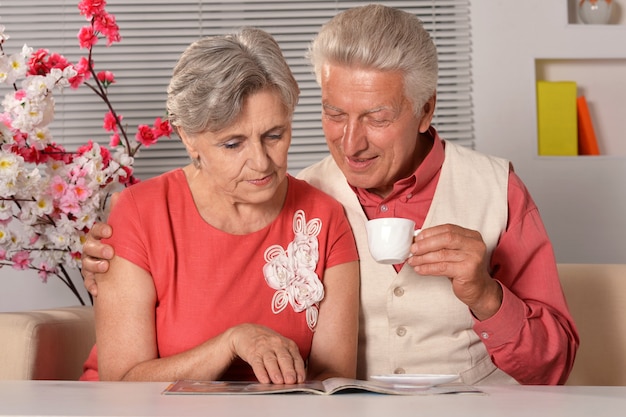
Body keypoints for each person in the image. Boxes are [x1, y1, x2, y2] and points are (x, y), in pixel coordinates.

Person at [82, 5, 579, 385]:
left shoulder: (495, 189)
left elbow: (555, 366)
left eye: (377, 118)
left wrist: (488, 297)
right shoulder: (299, 191)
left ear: (425, 111)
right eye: (334, 114)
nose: (351, 142)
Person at [78, 27, 360, 383]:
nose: (261, 162)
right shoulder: (141, 212)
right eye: (232, 144)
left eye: (274, 135)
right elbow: (122, 383)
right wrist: (230, 343)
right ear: (188, 138)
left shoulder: (324, 218)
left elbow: (331, 381)